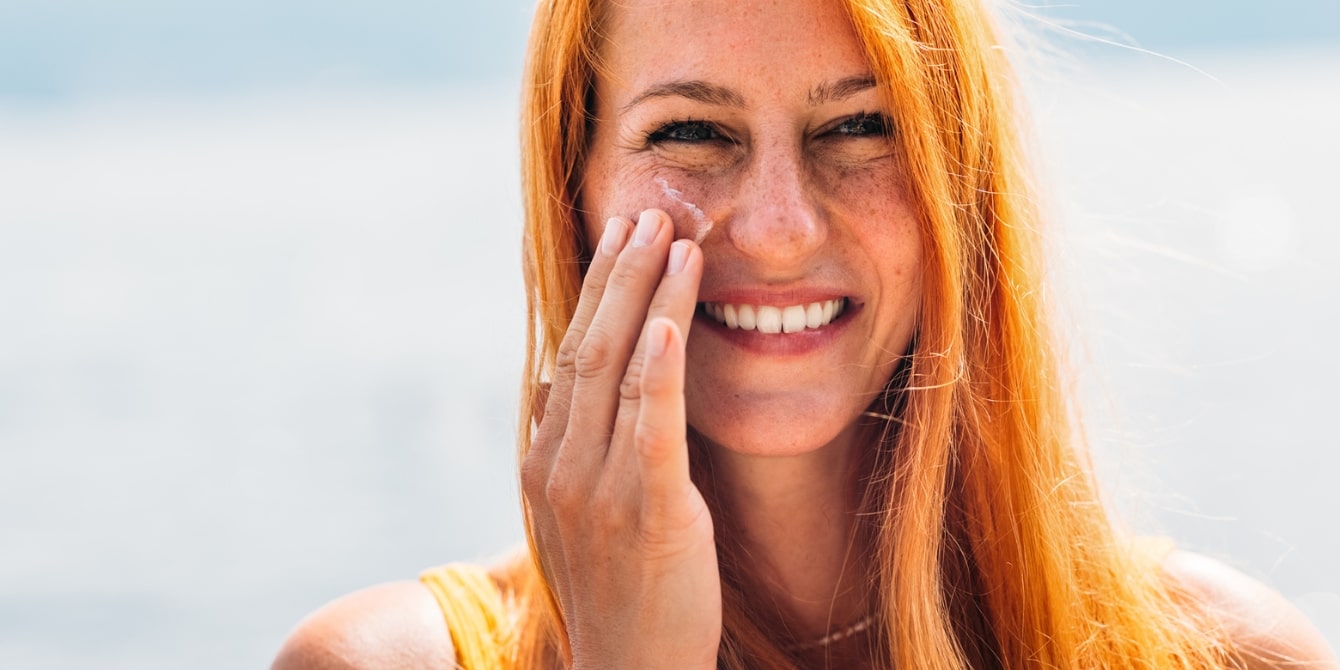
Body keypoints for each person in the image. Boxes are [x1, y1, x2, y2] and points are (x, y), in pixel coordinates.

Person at [272, 0, 1337, 667]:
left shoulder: (1221, 655)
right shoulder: (379, 664)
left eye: (857, 127)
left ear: (955, 186)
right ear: (575, 193)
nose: (779, 228)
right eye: (689, 132)